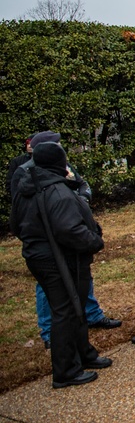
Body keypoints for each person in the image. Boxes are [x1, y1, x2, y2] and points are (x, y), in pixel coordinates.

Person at [11, 142, 109, 388]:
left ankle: (84, 354)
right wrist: (94, 242)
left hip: (42, 255)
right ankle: (66, 371)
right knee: (65, 310)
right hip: (59, 258)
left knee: (75, 306)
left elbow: (16, 224)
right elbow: (69, 229)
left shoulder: (28, 187)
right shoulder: (54, 190)